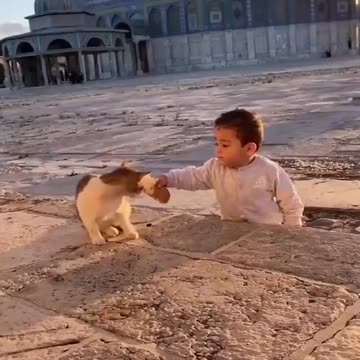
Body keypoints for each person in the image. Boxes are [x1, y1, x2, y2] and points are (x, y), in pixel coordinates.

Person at [157, 109, 304, 226]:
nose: (218, 150)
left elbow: (291, 202)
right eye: (217, 144)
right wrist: (169, 179)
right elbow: (192, 177)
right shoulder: (214, 168)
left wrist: (292, 228)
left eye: (225, 145)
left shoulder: (269, 170)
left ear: (249, 149)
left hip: (266, 230)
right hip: (231, 228)